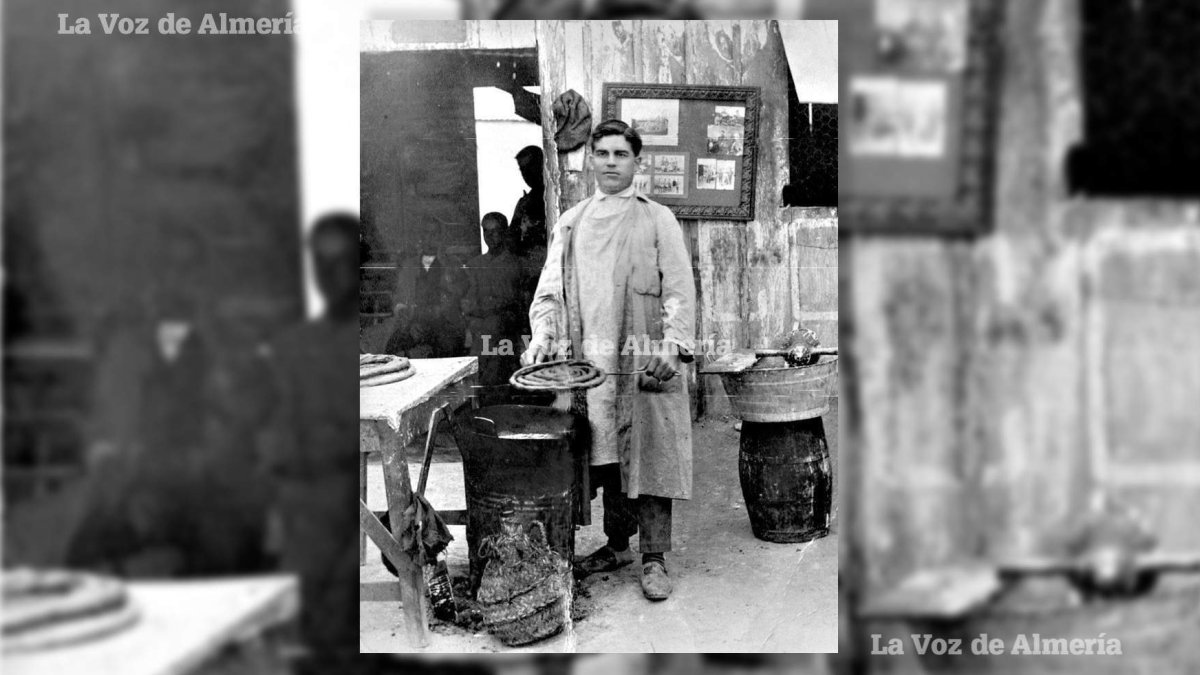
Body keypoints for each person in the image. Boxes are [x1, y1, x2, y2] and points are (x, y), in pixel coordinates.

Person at [522, 120, 696, 601]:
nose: (612, 162)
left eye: (622, 154)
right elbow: (550, 295)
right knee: (603, 454)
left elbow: (680, 291)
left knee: (650, 453)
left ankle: (654, 557)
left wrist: (671, 345)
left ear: (637, 162)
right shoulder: (571, 222)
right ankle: (617, 545)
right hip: (586, 367)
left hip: (641, 361)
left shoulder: (658, 219)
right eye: (603, 154)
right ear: (590, 160)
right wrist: (543, 337)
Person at [262, 213, 360, 662]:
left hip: (344, 489)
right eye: (321, 263)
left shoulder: (367, 339)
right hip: (306, 495)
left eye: (341, 262)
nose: (329, 274)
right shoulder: (295, 345)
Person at [463, 212, 524, 405]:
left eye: (495, 232)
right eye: (486, 232)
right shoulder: (475, 265)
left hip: (503, 332)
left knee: (495, 367)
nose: (490, 237)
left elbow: (512, 301)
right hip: (480, 330)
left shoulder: (516, 264)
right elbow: (468, 301)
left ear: (505, 233)